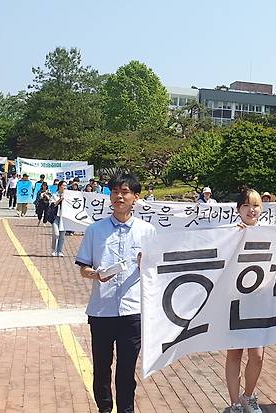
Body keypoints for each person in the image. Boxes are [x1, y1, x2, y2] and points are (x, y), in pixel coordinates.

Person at [75, 174, 156, 413]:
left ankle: (126, 410)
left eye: (125, 192)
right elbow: (83, 269)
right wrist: (96, 275)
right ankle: (104, 409)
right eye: (114, 192)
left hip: (133, 311)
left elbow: (157, 271)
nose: (119, 197)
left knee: (126, 369)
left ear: (136, 198)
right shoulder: (95, 230)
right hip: (101, 311)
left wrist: (147, 264)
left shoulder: (147, 231)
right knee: (101, 367)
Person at [226, 188, 266, 413]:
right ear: (238, 209)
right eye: (246, 205)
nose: (251, 210)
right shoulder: (230, 232)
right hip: (233, 302)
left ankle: (248, 396)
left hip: (259, 304)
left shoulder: (270, 233)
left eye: (256, 205)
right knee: (234, 353)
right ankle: (234, 404)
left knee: (257, 355)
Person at [50, 181, 67, 256]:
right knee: (56, 234)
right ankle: (54, 250)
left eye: (66, 186)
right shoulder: (54, 195)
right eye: (63, 185)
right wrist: (60, 200)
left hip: (64, 217)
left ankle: (59, 251)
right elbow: (53, 205)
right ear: (60, 186)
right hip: (55, 216)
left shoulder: (68, 195)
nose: (65, 187)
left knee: (62, 235)